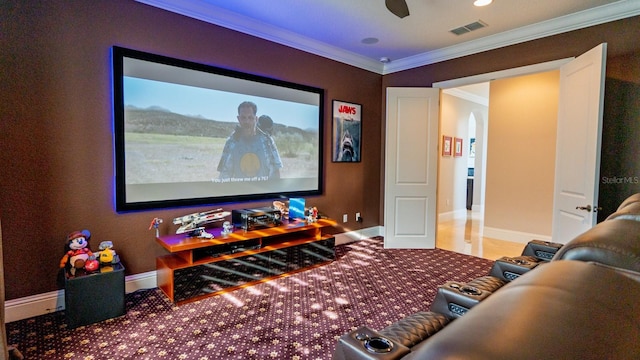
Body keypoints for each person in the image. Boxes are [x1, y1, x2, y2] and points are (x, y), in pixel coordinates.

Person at [217, 101, 283, 180]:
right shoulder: (232, 142)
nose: (247, 121)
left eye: (250, 118)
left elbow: (275, 171)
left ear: (256, 119)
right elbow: (225, 173)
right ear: (238, 118)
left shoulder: (267, 141)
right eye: (243, 117)